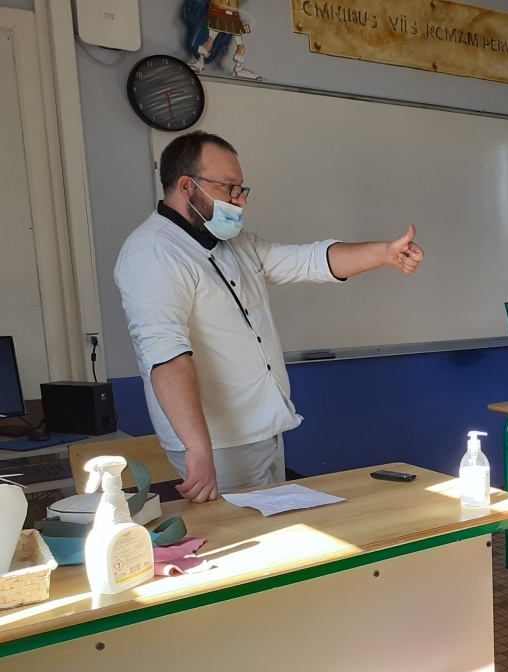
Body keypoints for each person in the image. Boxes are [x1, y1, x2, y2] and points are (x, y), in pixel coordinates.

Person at [114, 131, 424, 503]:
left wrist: (383, 253)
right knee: (242, 536)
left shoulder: (234, 242)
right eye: (229, 187)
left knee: (276, 529)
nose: (240, 200)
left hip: (262, 431)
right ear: (186, 186)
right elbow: (165, 356)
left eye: (241, 188)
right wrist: (197, 448)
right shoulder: (152, 252)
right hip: (217, 445)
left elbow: (306, 260)